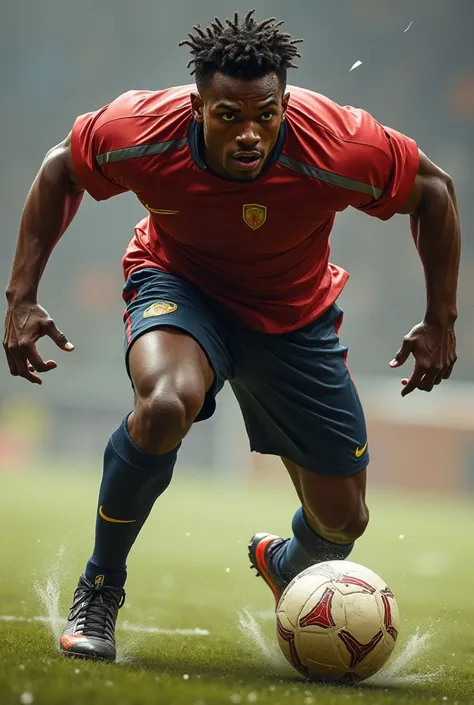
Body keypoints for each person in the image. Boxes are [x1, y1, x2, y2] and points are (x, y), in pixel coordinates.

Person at [3, 11, 459, 662]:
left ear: (284, 104)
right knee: (164, 403)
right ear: (196, 106)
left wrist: (441, 321)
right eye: (228, 117)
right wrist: (21, 299)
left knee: (342, 522)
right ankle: (101, 584)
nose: (250, 133)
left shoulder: (338, 143)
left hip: (294, 316)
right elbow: (58, 171)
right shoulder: (140, 129)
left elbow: (435, 192)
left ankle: (286, 560)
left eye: (266, 115)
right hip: (181, 286)